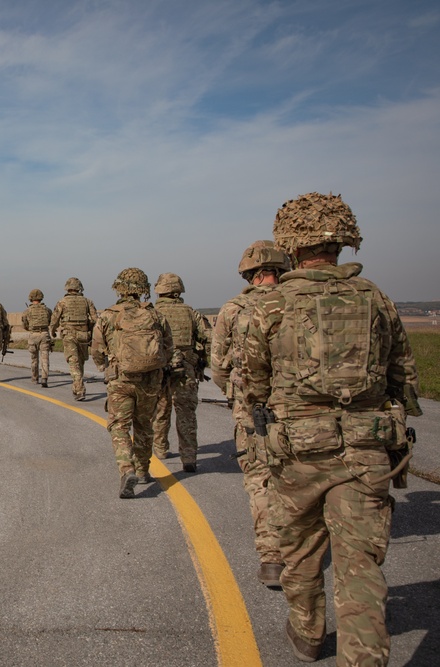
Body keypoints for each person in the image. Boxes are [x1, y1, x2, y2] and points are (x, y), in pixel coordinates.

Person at [241, 192, 421, 664]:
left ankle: (307, 632)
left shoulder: (271, 303)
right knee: (360, 566)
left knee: (300, 549)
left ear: (291, 245)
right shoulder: (376, 298)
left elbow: (253, 381)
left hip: (299, 451)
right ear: (342, 241)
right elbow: (403, 374)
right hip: (367, 449)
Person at [210, 240, 291, 589]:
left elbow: (218, 365)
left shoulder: (233, 309)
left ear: (248, 272)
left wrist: (235, 393)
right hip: (297, 407)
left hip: (252, 406)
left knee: (259, 476)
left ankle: (272, 557)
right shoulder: (296, 301)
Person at [92, 268, 175, 498]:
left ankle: (126, 469)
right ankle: (143, 470)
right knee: (144, 425)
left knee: (119, 426)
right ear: (143, 289)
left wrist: (105, 367)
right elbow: (168, 348)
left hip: (121, 380)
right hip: (150, 380)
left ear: (118, 287)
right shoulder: (156, 315)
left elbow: (96, 350)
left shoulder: (108, 316)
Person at [151, 273, 212, 472]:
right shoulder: (190, 312)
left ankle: (160, 448)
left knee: (161, 408)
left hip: (160, 366)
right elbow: (204, 339)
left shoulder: (152, 312)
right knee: (186, 412)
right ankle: (188, 457)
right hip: (186, 366)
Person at [50, 277, 98, 400]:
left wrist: (53, 330)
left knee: (73, 361)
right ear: (79, 288)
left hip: (69, 335)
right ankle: (77, 387)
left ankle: (79, 388)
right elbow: (95, 319)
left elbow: (55, 318)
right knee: (80, 361)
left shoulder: (62, 302)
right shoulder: (87, 301)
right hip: (84, 334)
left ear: (67, 288)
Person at [21, 289, 53, 387]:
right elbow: (50, 322)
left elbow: (24, 325)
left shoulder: (27, 311)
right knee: (45, 358)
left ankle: (35, 377)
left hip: (33, 335)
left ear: (30, 298)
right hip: (44, 334)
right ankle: (44, 378)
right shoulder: (47, 310)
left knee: (34, 358)